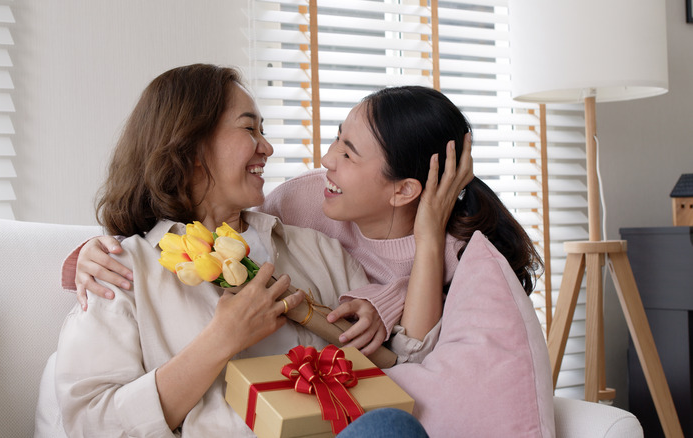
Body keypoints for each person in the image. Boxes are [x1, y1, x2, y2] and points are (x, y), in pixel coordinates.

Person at [54, 64, 427, 437]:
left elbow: (406, 365)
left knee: (392, 426)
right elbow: (90, 425)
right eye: (250, 129)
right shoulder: (119, 270)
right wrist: (220, 340)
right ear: (191, 145)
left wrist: (382, 310)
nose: (267, 147)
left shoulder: (319, 249)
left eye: (263, 131)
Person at [65, 85, 540, 355]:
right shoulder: (304, 200)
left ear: (403, 190)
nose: (327, 160)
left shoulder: (460, 255)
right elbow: (210, 237)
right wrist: (85, 256)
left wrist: (428, 239)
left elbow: (416, 356)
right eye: (337, 138)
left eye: (348, 153)